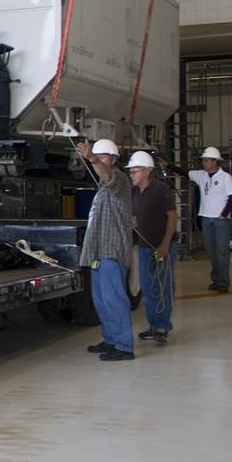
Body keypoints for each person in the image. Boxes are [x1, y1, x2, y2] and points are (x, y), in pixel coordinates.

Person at [77, 138, 135, 361]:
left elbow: (107, 176)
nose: (97, 162)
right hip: (99, 252)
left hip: (112, 251)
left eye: (102, 157)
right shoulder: (102, 188)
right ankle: (111, 338)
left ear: (112, 160)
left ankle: (123, 346)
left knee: (114, 299)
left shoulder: (119, 179)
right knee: (101, 299)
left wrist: (91, 158)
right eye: (96, 157)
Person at [127, 151, 177, 344]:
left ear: (147, 171)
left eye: (135, 171)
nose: (131, 174)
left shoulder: (161, 189)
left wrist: (165, 244)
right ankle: (153, 325)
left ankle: (163, 325)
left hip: (163, 246)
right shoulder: (133, 191)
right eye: (130, 171)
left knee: (163, 285)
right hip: (144, 246)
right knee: (147, 288)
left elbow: (172, 217)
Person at [184, 146, 232, 293]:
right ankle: (216, 278)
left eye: (207, 160)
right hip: (206, 218)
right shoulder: (201, 175)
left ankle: (223, 282)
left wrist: (224, 213)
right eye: (204, 160)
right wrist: (168, 166)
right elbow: (185, 173)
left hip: (220, 220)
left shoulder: (226, 178)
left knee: (222, 251)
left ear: (215, 162)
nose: (204, 163)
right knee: (211, 250)